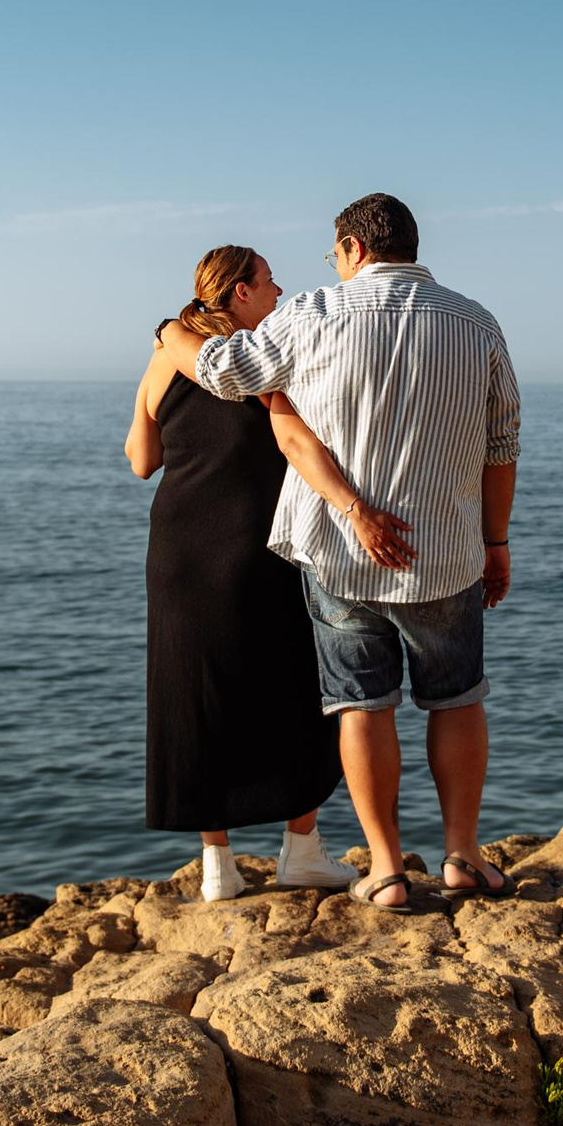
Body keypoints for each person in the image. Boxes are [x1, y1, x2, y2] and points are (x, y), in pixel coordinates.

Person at [159, 194, 519, 913]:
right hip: (444, 551)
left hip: (342, 554)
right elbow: (501, 444)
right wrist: (496, 540)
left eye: (332, 253)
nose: (330, 265)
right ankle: (462, 856)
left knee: (362, 706)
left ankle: (384, 868)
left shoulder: (313, 314)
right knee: (457, 700)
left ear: (354, 248)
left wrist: (170, 331)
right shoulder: (477, 322)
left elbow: (228, 372)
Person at [126, 245, 413, 900]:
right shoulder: (256, 364)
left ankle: (217, 869)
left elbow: (140, 458)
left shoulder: (163, 357)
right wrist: (354, 505)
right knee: (296, 687)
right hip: (259, 545)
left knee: (198, 697)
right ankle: (302, 851)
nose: (279, 287)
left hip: (176, 554)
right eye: (267, 280)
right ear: (237, 294)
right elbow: (294, 440)